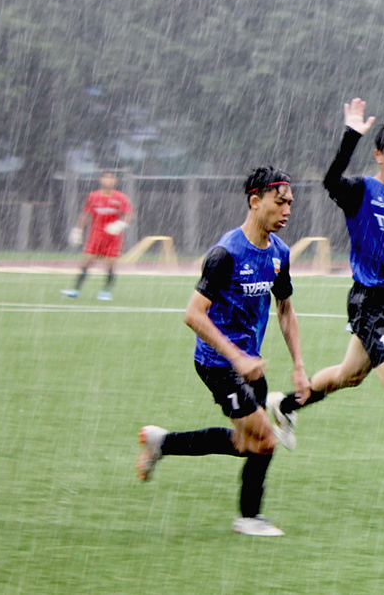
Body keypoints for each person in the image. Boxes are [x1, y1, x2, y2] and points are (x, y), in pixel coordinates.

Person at [265, 98, 384, 512]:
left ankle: (285, 404)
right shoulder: (361, 192)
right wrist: (350, 133)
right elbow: (331, 179)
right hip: (368, 301)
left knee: (347, 376)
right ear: (379, 155)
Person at [136, 166, 310, 537]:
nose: (287, 210)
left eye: (290, 203)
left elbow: (285, 309)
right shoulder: (226, 254)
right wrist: (237, 357)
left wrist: (299, 365)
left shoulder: (279, 253)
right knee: (264, 439)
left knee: (247, 443)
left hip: (250, 366)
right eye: (279, 202)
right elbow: (193, 314)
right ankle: (248, 518)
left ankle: (161, 443)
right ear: (254, 201)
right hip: (218, 363)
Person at [61, 170, 134, 301]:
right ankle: (75, 290)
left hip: (113, 237)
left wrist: (119, 224)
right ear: (101, 180)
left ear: (116, 181)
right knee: (87, 262)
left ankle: (106, 291)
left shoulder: (121, 198)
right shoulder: (93, 196)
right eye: (106, 178)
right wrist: (78, 230)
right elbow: (86, 214)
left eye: (112, 178)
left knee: (110, 264)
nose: (109, 181)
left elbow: (129, 215)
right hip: (95, 235)